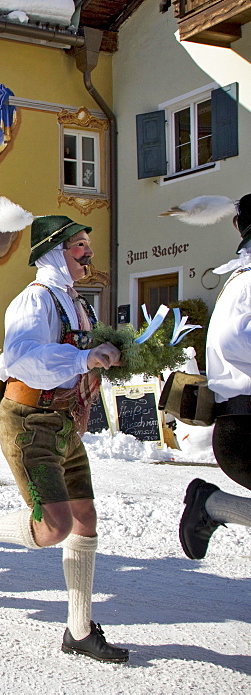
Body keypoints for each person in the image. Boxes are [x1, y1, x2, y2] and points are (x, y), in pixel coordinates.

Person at [0, 215, 128, 663]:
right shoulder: (34, 300)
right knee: (55, 527)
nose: (88, 252)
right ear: (54, 251)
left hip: (64, 420)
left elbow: (77, 356)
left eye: (87, 244)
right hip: (29, 421)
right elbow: (25, 359)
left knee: (84, 517)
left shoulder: (74, 301)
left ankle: (80, 630)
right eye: (79, 246)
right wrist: (86, 356)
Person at [179, 193, 251, 560]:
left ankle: (212, 505)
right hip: (243, 423)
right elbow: (233, 340)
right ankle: (211, 505)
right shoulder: (248, 280)